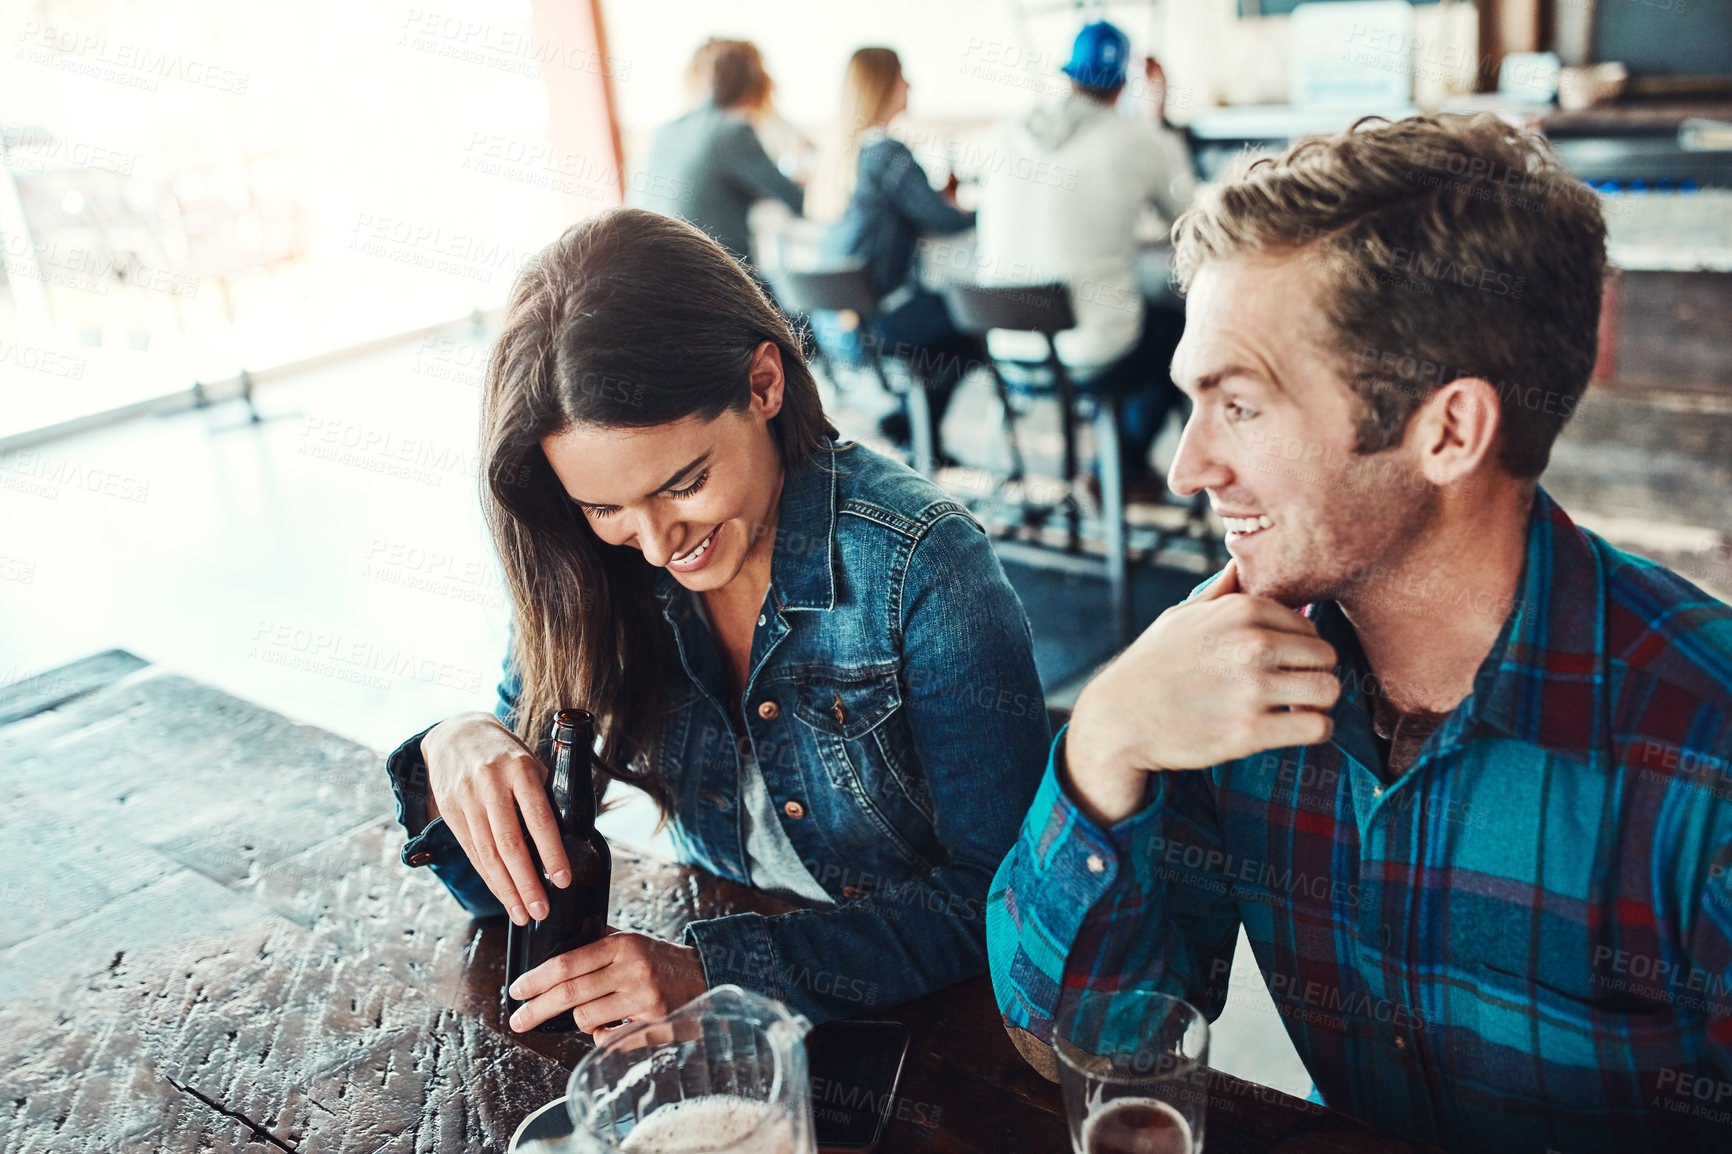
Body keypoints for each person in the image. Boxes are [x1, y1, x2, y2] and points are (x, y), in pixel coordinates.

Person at [987, 113, 1732, 1152]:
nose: (1185, 467)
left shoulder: (1704, 755)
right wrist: (1103, 739)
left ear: (1448, 429)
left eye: (1238, 403)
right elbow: (1084, 1051)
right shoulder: (1223, 679)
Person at [385, 208, 1050, 1032]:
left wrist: (717, 972)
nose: (659, 544)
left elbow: (1001, 901)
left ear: (764, 384)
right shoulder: (597, 568)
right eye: (606, 505)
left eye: (683, 483)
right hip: (720, 1025)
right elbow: (506, 897)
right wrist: (452, 750)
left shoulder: (925, 567)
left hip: (934, 1023)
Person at [975, 22, 1196, 503]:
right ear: (1122, 83)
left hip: (1007, 348)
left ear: (1068, 76)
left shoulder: (1007, 131)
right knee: (1180, 329)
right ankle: (1119, 467)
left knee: (1129, 321)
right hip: (1090, 356)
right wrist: (1158, 120)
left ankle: (1114, 467)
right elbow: (1189, 223)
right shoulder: (1137, 139)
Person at [816, 47, 984, 462]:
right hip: (877, 323)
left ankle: (909, 423)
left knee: (952, 318)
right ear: (884, 85)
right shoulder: (887, 152)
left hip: (833, 324)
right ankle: (914, 429)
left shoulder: (838, 153)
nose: (910, 84)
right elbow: (942, 221)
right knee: (974, 325)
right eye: (902, 76)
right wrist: (989, 210)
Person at [633, 40, 803, 269]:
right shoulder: (733, 131)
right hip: (709, 275)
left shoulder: (667, 130)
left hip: (651, 268)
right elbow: (795, 199)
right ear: (754, 88)